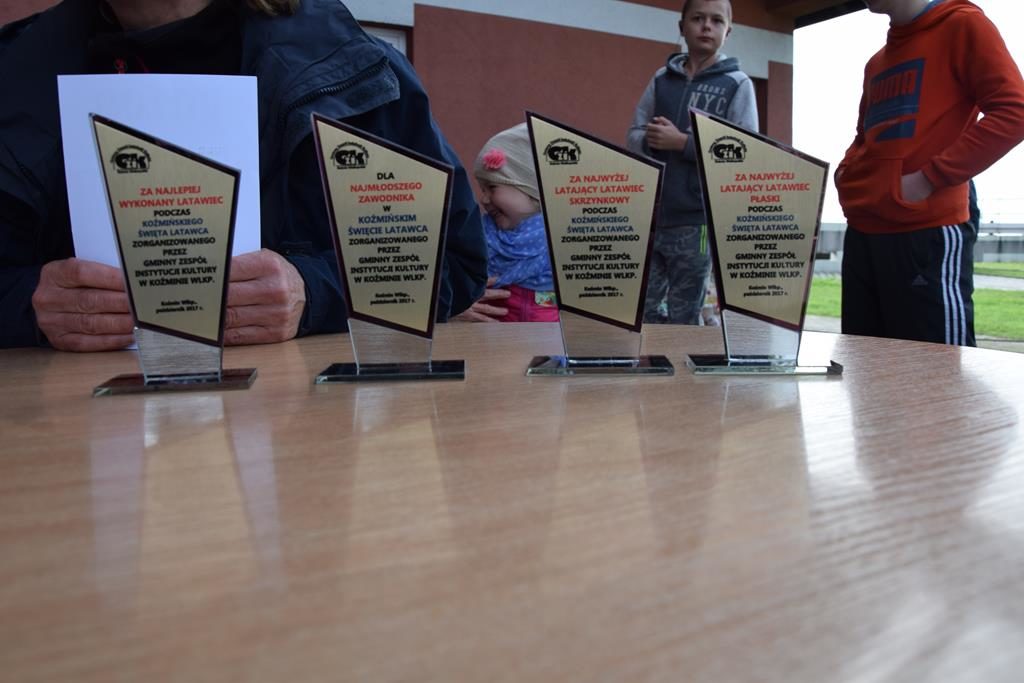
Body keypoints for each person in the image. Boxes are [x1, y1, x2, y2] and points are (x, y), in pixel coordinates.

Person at [0, 0, 487, 350]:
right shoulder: (16, 71)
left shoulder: (351, 65)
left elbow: (450, 263)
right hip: (78, 438)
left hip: (308, 432)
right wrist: (29, 304)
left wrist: (313, 291)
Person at [836, 0, 1024, 346]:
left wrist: (927, 179)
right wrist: (846, 176)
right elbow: (864, 136)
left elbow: (1014, 112)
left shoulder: (963, 25)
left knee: (937, 368)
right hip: (863, 230)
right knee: (864, 363)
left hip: (926, 229)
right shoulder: (876, 63)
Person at [626, 0, 757, 325]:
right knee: (644, 311)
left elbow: (745, 152)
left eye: (716, 20)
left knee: (685, 314)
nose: (706, 26)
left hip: (698, 220)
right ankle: (651, 358)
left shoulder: (737, 84)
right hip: (652, 216)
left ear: (728, 31)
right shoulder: (661, 79)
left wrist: (682, 143)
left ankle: (684, 360)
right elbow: (633, 134)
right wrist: (650, 140)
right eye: (698, 18)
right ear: (681, 26)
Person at [460, 123, 557, 323]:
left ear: (530, 189)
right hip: (491, 337)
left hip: (548, 339)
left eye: (492, 187)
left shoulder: (562, 241)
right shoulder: (474, 238)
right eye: (482, 189)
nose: (484, 199)